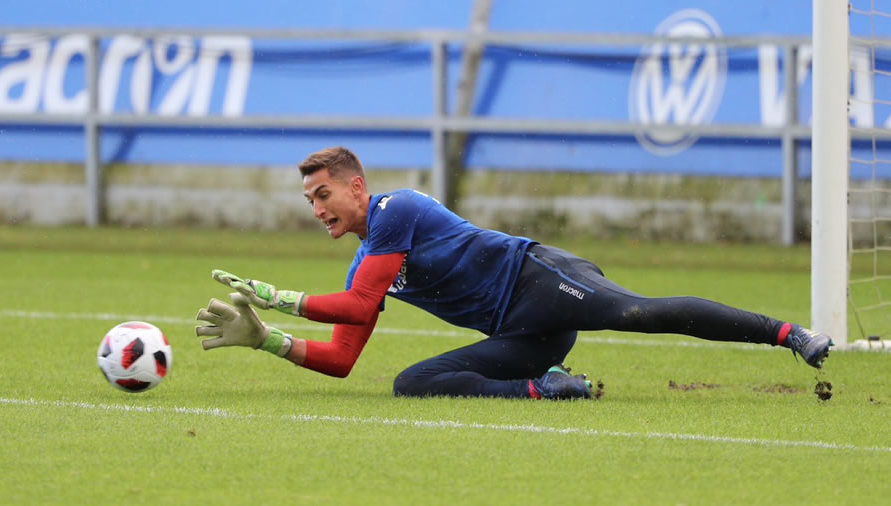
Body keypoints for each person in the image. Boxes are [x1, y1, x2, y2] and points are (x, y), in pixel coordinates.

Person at [195, 146, 833, 400]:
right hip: (523, 334)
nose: (316, 209)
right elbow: (341, 358)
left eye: (323, 194)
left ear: (355, 187)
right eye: (309, 200)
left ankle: (789, 334)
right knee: (412, 383)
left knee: (636, 313)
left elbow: (357, 307)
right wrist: (267, 340)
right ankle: (545, 388)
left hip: (540, 278)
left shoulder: (393, 210)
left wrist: (280, 299)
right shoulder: (367, 260)